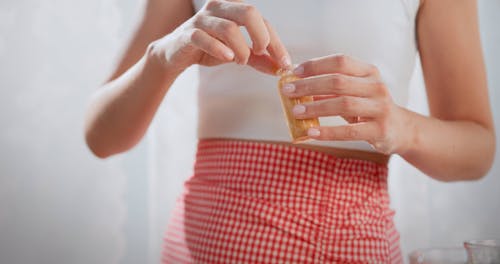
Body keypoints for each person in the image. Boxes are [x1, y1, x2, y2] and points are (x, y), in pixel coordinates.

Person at [84, 0, 495, 262]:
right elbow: (100, 138)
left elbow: (478, 149)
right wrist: (163, 56)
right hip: (200, 245)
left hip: (348, 247)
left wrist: (402, 126)